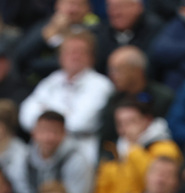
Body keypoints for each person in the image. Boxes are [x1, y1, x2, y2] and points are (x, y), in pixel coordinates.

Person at [19, 31, 114, 164]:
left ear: (92, 57)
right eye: (70, 52)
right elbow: (26, 116)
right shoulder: (51, 80)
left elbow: (80, 122)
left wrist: (46, 112)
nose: (75, 56)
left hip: (81, 152)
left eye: (81, 52)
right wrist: (66, 113)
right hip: (44, 153)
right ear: (60, 57)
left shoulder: (101, 85)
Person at [89, 99, 182, 193]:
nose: (125, 129)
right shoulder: (112, 151)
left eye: (131, 122)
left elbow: (154, 182)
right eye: (120, 123)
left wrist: (133, 148)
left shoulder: (165, 148)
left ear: (147, 120)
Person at [21, 111, 95, 193]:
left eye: (55, 132)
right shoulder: (26, 158)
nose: (49, 137)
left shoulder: (77, 160)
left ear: (64, 133)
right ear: (34, 133)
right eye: (44, 131)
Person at [99, 46, 175, 148]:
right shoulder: (114, 100)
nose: (113, 76)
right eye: (111, 70)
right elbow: (106, 139)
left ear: (137, 71)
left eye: (118, 70)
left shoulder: (163, 98)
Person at [14, 0, 100, 81]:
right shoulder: (45, 26)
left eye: (79, 5)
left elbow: (73, 63)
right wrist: (43, 36)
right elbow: (20, 56)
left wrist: (54, 41)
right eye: (69, 4)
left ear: (89, 9)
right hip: (41, 83)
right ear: (57, 5)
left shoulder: (95, 30)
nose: (73, 10)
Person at [94, 0, 163, 71]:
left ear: (138, 7)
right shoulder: (101, 33)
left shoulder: (155, 31)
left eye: (120, 7)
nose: (116, 13)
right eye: (111, 7)